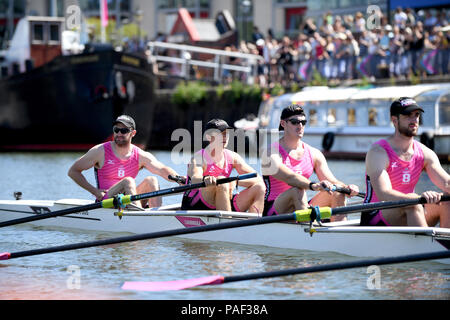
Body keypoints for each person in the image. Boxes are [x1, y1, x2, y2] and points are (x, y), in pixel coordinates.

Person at [362, 97, 450, 227]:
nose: (414, 120)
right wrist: (417, 198)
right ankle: (425, 245)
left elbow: (447, 182)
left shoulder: (425, 153)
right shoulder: (378, 152)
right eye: (408, 115)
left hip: (410, 208)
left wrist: (424, 198)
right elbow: (384, 193)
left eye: (416, 115)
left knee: (447, 202)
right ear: (394, 120)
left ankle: (444, 244)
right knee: (413, 203)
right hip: (376, 216)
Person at [261, 104, 360, 218]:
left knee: (337, 191)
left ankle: (339, 231)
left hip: (301, 205)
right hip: (275, 210)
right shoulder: (270, 153)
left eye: (303, 122)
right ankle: (307, 230)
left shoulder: (314, 153)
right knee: (298, 190)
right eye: (295, 122)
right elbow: (290, 178)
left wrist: (347, 188)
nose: (300, 126)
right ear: (283, 124)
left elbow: (331, 181)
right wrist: (314, 186)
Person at [68, 115, 183, 208]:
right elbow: (73, 171)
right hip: (107, 200)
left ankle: (155, 215)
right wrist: (95, 191)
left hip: (129, 199)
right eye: (116, 130)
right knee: (128, 181)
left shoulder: (140, 155)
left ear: (133, 133)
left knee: (151, 180)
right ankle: (139, 216)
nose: (119, 133)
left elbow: (162, 169)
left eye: (123, 130)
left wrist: (179, 179)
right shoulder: (100, 151)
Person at [181, 119, 265, 214]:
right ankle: (228, 223)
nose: (224, 137)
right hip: (196, 204)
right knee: (222, 181)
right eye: (220, 134)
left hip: (223, 198)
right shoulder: (199, 157)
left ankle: (253, 225)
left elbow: (257, 177)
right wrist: (205, 179)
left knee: (260, 187)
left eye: (226, 133)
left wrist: (236, 181)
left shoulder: (232, 157)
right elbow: (195, 178)